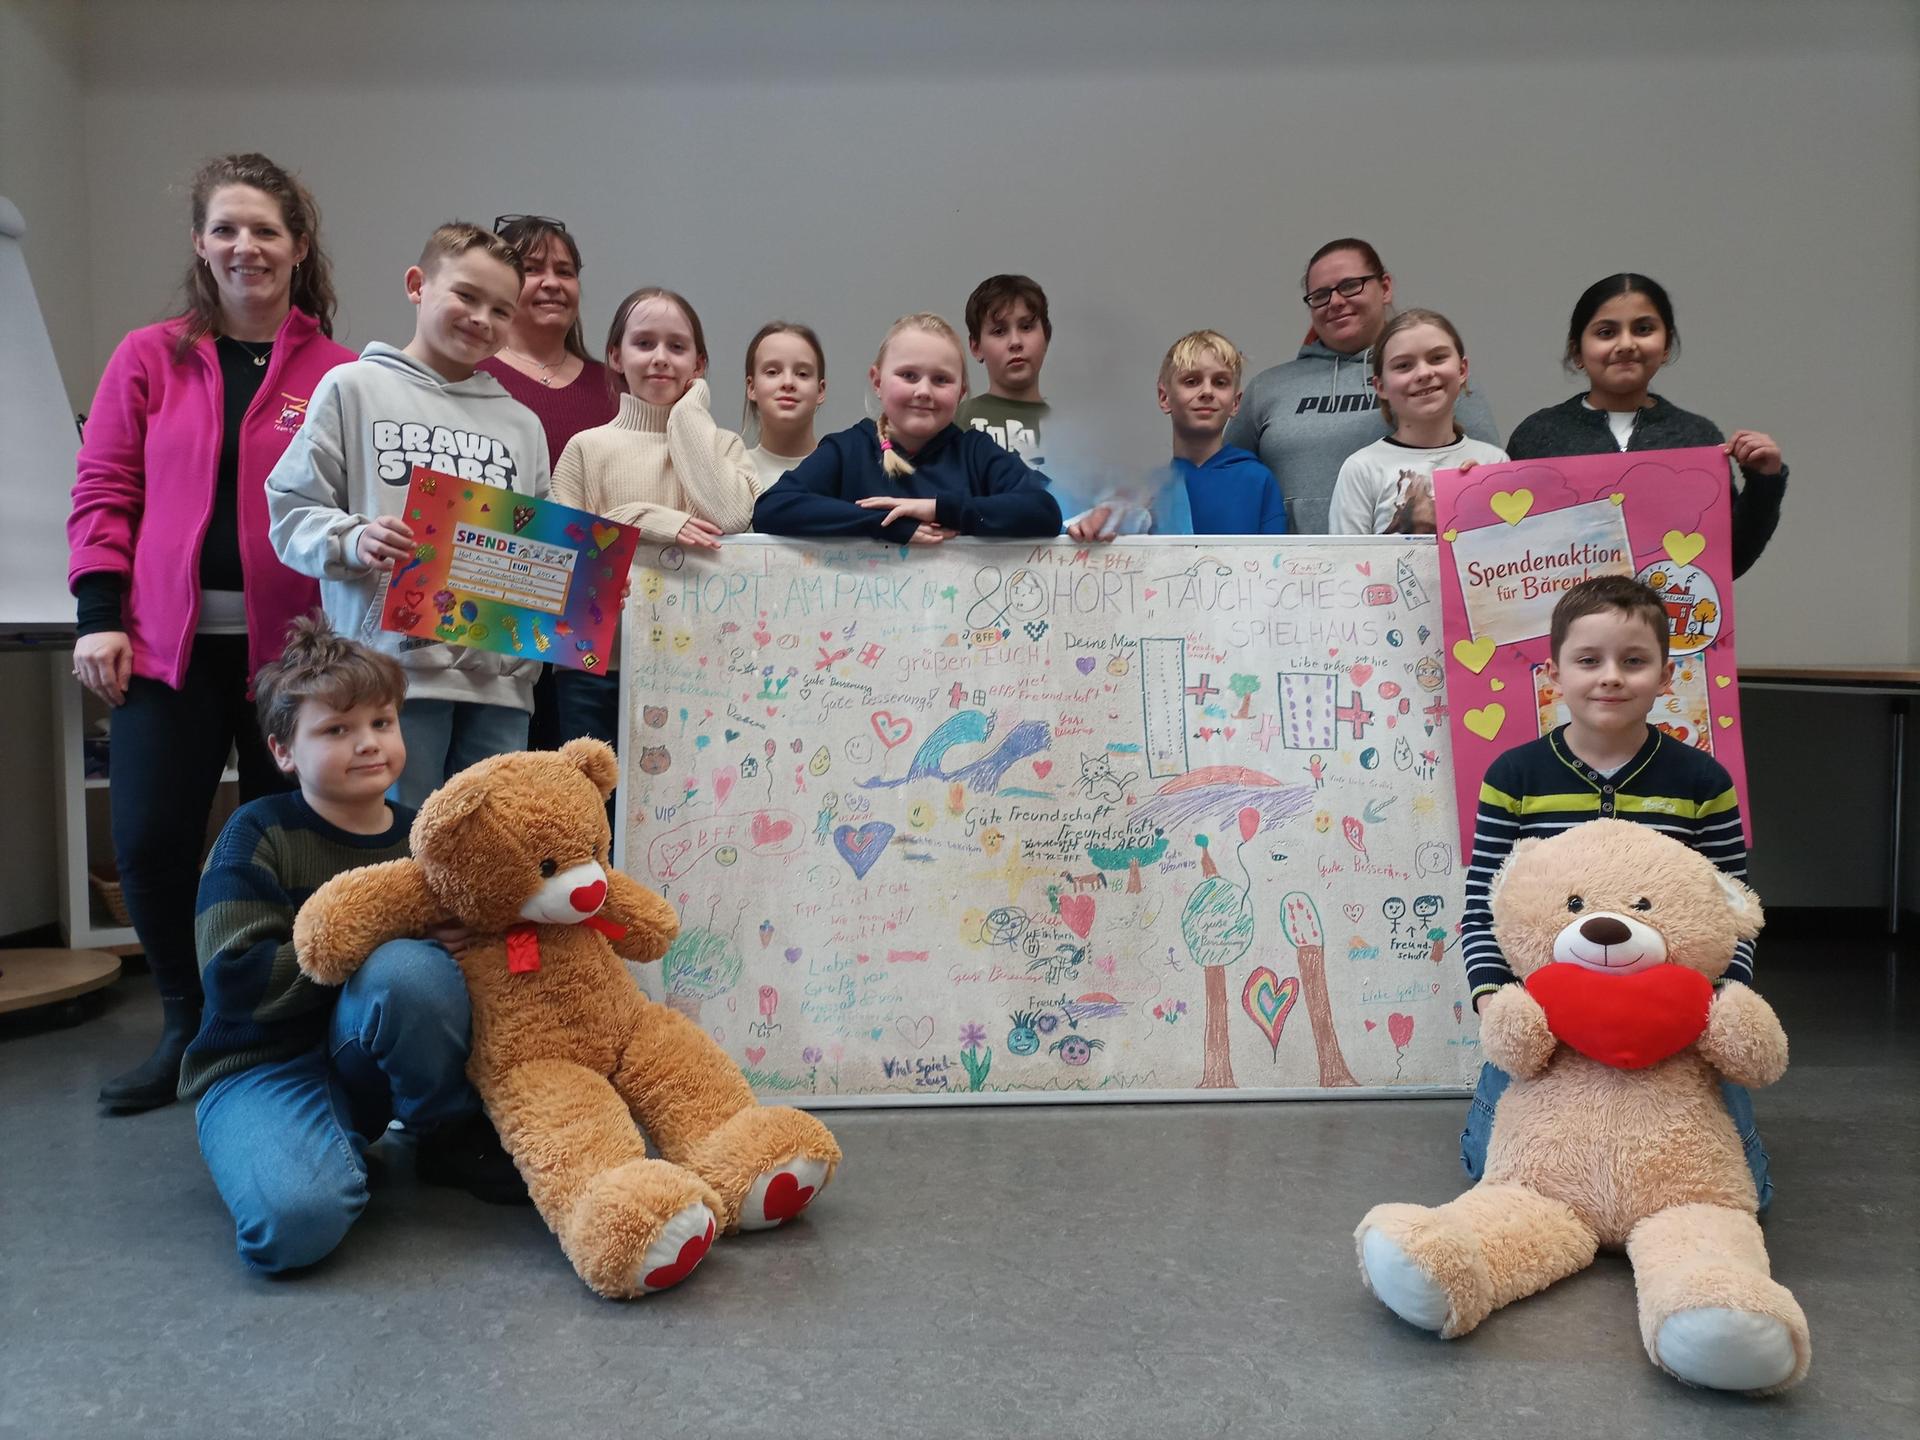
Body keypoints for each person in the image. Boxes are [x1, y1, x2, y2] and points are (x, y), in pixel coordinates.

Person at [66, 152, 354, 1111]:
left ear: (298, 246)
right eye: (226, 228)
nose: (245, 247)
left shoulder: (341, 374)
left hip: (299, 658)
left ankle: (274, 1026)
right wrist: (99, 618)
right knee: (151, 839)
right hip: (164, 650)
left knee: (293, 849)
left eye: (265, 229)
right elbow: (105, 490)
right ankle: (185, 1023)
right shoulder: (148, 357)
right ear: (200, 243)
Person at [182, 616, 523, 1275]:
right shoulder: (255, 833)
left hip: (366, 1063)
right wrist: (384, 924)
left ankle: (443, 1131)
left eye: (382, 722)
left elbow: (483, 967)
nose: (368, 743)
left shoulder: (428, 840)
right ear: (283, 751)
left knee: (411, 973)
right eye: (336, 730)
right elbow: (236, 983)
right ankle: (310, 1142)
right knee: (294, 1227)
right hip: (260, 1065)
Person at [1457, 576, 1771, 1212]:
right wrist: (1496, 1001)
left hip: (1669, 1013)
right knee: (1486, 1164)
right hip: (1552, 1011)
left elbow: (1733, 906)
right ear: (1553, 673)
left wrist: (1714, 1005)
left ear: (1666, 676)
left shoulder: (1702, 781)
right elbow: (1485, 905)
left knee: (1745, 1189)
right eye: (1588, 660)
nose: (1610, 678)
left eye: (1633, 661)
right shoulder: (1514, 777)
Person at [266, 221, 551, 809]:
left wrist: (579, 585)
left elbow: (536, 553)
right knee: (395, 842)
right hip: (386, 680)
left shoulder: (523, 425)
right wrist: (353, 539)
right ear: (418, 285)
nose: (482, 319)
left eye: (501, 310)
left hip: (500, 688)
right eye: (466, 295)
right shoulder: (353, 388)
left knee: (491, 844)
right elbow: (290, 510)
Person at [549, 286, 758, 752]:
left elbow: (732, 517)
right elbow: (562, 560)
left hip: (696, 664)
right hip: (594, 666)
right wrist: (647, 519)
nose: (661, 358)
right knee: (589, 794)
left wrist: (690, 412)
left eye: (677, 347)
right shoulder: (586, 449)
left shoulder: (723, 446)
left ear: (698, 365)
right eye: (644, 343)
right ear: (616, 356)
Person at [1504, 273, 1786, 578]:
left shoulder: (1696, 436)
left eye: (1643, 329)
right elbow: (1507, 556)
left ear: (1666, 346)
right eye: (1606, 332)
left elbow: (1729, 560)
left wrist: (1763, 481)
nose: (1626, 344)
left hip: (1668, 609)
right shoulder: (1537, 435)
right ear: (1577, 352)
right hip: (1566, 609)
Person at [1225, 237, 1499, 533]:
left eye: (1350, 285)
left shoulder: (1435, 383)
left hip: (1420, 557)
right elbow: (1227, 480)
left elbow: (1487, 475)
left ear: (1385, 287)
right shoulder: (1268, 389)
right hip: (1290, 562)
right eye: (1320, 295)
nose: (1336, 302)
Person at [476, 215, 619, 750]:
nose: (552, 283)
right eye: (532, 269)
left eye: (565, 271)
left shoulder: (616, 388)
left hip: (591, 631)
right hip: (494, 628)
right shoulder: (472, 379)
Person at [753, 312, 1062, 543]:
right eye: (909, 376)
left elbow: (1043, 511)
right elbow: (773, 508)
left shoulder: (976, 452)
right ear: (877, 381)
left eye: (941, 380)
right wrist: (883, 523)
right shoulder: (848, 450)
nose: (923, 391)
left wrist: (938, 509)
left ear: (961, 392)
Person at [1327, 308, 1508, 535]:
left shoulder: (1494, 463)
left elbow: (1510, 550)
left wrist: (1485, 500)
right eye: (1403, 365)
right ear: (1380, 386)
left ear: (1462, 370)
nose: (1423, 373)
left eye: (1437, 358)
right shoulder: (1361, 469)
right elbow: (1347, 556)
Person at [955, 274, 1051, 467]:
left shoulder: (1070, 430)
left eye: (1026, 327)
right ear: (976, 347)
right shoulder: (957, 420)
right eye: (999, 331)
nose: (1015, 342)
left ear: (1046, 337)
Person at [741, 320, 828, 495]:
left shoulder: (845, 472)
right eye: (772, 372)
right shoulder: (733, 472)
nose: (788, 382)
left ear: (820, 391)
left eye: (802, 374)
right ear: (751, 388)